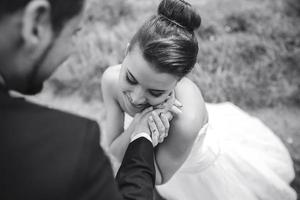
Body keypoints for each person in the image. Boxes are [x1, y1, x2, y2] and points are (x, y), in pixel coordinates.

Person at [101, 0, 297, 199]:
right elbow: (115, 151)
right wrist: (139, 126)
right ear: (126, 52)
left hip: (194, 170)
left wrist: (141, 131)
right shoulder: (110, 80)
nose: (136, 98)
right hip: (146, 166)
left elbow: (159, 176)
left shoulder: (187, 117)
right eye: (130, 79)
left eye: (156, 92)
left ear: (178, 82)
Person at [0, 0, 157, 199]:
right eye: (73, 33)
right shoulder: (71, 146)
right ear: (36, 24)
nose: (72, 50)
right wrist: (142, 138)